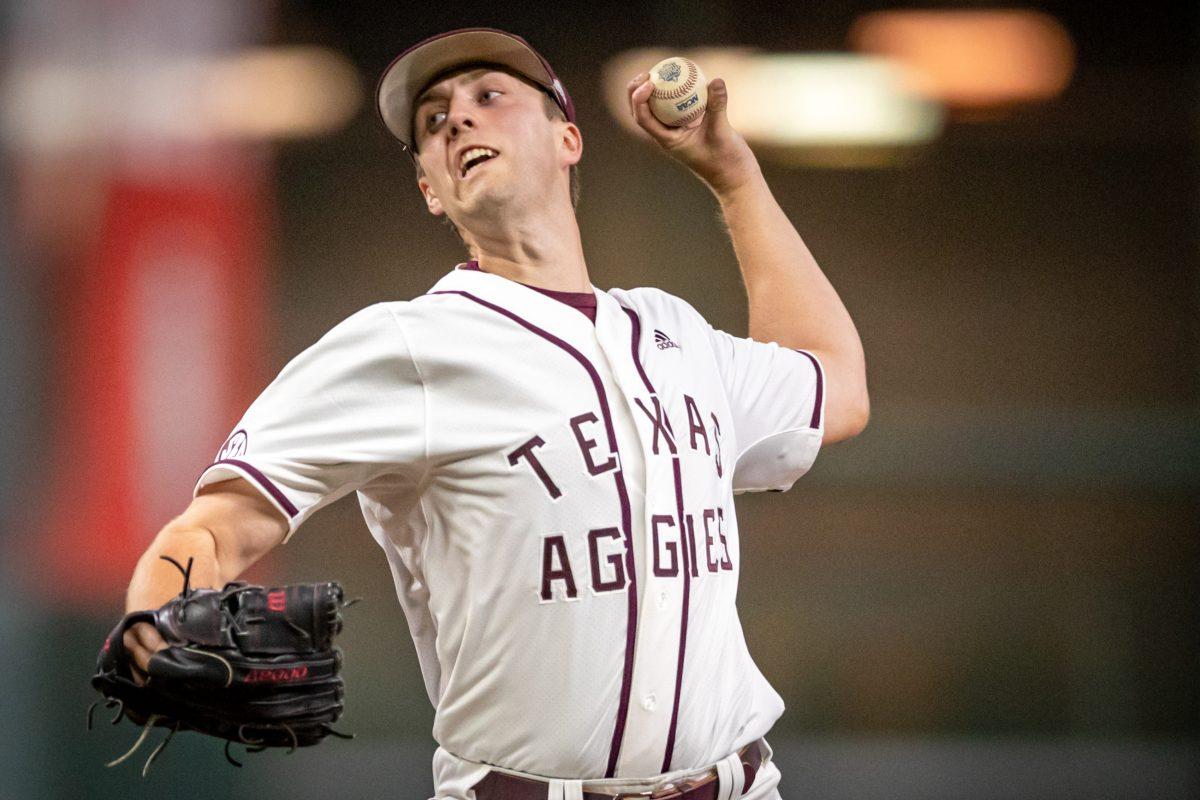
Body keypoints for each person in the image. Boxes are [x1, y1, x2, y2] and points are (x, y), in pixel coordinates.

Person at [120, 27, 869, 800]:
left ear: (568, 138)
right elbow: (214, 526)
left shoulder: (675, 334)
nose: (457, 121)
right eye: (434, 121)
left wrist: (737, 181)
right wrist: (153, 627)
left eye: (489, 97)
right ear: (430, 191)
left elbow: (836, 388)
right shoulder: (407, 346)